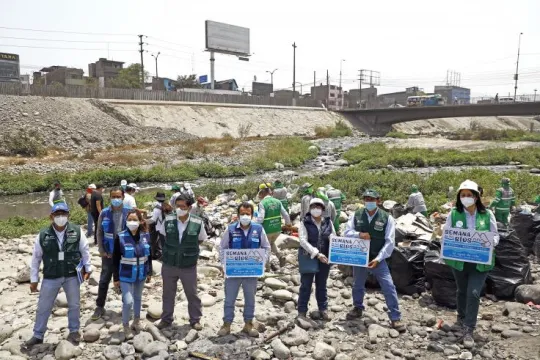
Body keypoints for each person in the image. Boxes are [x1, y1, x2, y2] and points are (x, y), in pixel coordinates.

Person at [24, 203, 91, 347]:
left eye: (64, 214)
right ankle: (38, 335)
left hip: (71, 274)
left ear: (68, 215)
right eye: (57, 214)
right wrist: (34, 279)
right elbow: (36, 258)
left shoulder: (77, 231)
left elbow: (85, 252)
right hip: (51, 275)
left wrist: (88, 269)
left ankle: (74, 331)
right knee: (43, 306)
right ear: (51, 216)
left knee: (74, 304)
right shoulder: (43, 235)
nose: (61, 217)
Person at [444, 180, 499, 348]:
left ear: (476, 197)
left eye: (469, 195)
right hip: (459, 261)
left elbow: (495, 235)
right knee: (461, 290)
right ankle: (461, 317)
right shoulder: (453, 214)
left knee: (473, 292)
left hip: (480, 262)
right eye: (463, 195)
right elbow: (446, 235)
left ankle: (469, 328)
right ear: (459, 197)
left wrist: (488, 243)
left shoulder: (487, 214)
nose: (466, 198)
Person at [344, 189, 405, 332]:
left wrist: (378, 259)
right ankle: (357, 307)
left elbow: (390, 242)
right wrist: (359, 234)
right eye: (366, 199)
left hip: (378, 258)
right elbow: (346, 233)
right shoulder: (356, 215)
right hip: (359, 258)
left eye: (372, 199)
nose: (369, 202)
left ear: (378, 200)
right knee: (358, 285)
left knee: (388, 286)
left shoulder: (387, 218)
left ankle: (395, 317)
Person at [217, 202, 270, 337]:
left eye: (248, 214)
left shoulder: (258, 229)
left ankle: (248, 324)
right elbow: (222, 248)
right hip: (233, 272)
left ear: (252, 215)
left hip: (251, 272)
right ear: (238, 215)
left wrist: (262, 264)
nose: (245, 216)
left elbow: (266, 247)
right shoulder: (230, 229)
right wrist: (224, 265)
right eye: (242, 214)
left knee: (250, 299)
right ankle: (227, 325)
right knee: (229, 299)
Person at [158, 193, 208, 331]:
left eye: (183, 206)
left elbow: (201, 239)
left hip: (188, 265)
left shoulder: (198, 222)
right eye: (177, 206)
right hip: (169, 263)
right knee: (168, 293)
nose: (179, 209)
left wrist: (188, 249)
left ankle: (195, 319)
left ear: (189, 207)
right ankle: (166, 319)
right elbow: (163, 236)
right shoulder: (168, 219)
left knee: (192, 293)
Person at [113, 209, 152, 339]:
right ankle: (125, 325)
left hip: (141, 274)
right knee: (128, 301)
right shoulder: (120, 236)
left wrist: (149, 272)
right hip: (125, 275)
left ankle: (136, 321)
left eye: (135, 219)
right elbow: (115, 259)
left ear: (141, 221)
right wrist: (115, 279)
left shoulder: (146, 236)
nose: (132, 222)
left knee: (138, 298)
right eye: (129, 219)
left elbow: (149, 256)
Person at [92, 187, 130, 320]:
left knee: (125, 279)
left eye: (118, 196)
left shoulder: (128, 212)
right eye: (113, 197)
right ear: (110, 198)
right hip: (109, 253)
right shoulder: (104, 213)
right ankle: (100, 306)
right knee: (104, 280)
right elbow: (99, 232)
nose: (116, 199)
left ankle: (126, 307)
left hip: (125, 253)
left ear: (123, 197)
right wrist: (101, 251)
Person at [297, 198, 335, 320]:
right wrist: (317, 253)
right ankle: (302, 311)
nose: (316, 209)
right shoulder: (304, 222)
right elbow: (303, 240)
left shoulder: (328, 222)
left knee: (322, 284)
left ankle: (323, 309)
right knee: (306, 284)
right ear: (310, 208)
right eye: (314, 206)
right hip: (309, 257)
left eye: (319, 207)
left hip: (325, 258)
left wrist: (336, 254)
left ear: (323, 209)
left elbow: (334, 238)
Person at [256, 183, 291, 256]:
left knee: (266, 247)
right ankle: (280, 256)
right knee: (272, 243)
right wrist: (288, 224)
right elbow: (286, 214)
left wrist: (256, 228)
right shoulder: (278, 201)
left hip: (267, 230)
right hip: (277, 229)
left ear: (262, 193)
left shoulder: (262, 203)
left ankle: (267, 265)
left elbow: (260, 219)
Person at [147, 192, 171, 260]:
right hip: (168, 226)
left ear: (157, 199)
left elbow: (153, 220)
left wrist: (144, 220)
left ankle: (164, 258)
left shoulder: (157, 208)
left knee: (160, 242)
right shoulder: (167, 205)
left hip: (160, 227)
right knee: (165, 242)